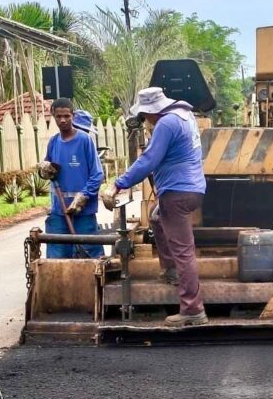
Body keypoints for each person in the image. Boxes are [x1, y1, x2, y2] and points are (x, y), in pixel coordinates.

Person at [106, 87, 207, 326]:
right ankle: (171, 271)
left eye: (144, 115)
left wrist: (118, 184)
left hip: (177, 193)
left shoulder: (166, 124)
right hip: (192, 189)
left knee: (184, 252)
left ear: (151, 111)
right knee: (156, 217)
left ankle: (193, 309)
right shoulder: (184, 115)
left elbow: (148, 160)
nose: (145, 120)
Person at [37, 98, 105, 259]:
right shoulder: (54, 142)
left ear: (72, 116)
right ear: (53, 116)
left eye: (67, 116)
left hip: (83, 211)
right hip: (59, 211)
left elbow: (97, 174)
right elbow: (48, 168)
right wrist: (44, 169)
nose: (63, 120)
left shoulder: (84, 141)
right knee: (57, 258)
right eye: (59, 116)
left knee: (89, 256)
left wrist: (84, 196)